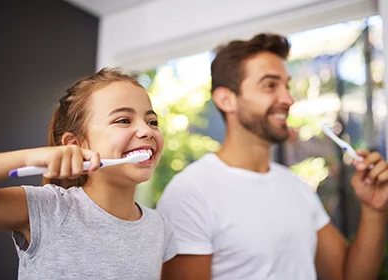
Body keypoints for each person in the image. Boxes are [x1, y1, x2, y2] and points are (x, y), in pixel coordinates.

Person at [157, 33, 388, 280]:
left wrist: (374, 210)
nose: (288, 99)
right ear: (226, 100)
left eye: (286, 86)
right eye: (270, 85)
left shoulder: (294, 186)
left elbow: (347, 276)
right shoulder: (190, 194)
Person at [0, 67, 177, 280]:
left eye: (152, 122)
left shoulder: (159, 228)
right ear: (76, 144)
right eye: (123, 120)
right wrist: (25, 158)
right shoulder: (47, 209)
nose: (147, 131)